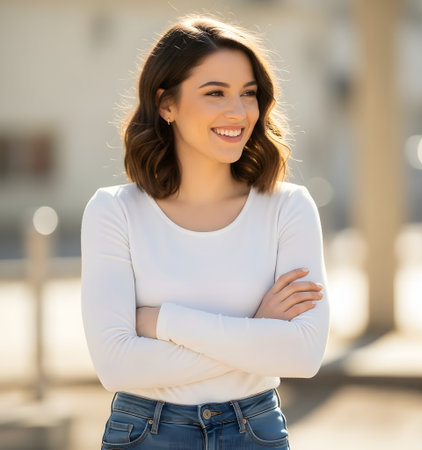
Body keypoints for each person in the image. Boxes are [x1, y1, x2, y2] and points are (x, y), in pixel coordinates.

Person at [81, 15, 330, 450]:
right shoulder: (113, 211)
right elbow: (116, 367)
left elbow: (303, 355)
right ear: (166, 104)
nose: (238, 111)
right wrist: (257, 332)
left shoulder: (288, 208)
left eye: (248, 94)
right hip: (144, 432)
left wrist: (162, 321)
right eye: (215, 93)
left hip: (256, 430)